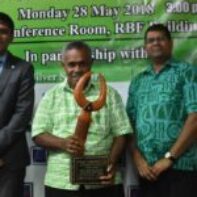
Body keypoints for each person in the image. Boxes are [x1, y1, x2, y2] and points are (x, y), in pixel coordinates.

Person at [32, 41, 132, 197]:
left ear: (91, 64)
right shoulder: (51, 96)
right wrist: (63, 143)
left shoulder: (109, 94)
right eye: (71, 64)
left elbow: (122, 134)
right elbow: (38, 134)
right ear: (63, 66)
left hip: (103, 181)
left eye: (82, 64)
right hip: (61, 182)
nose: (77, 70)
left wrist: (110, 164)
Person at [126, 24, 197, 197]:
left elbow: (195, 117)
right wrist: (138, 159)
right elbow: (128, 124)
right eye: (151, 40)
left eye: (161, 39)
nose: (155, 43)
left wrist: (169, 158)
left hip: (180, 167)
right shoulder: (138, 81)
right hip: (147, 171)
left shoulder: (187, 72)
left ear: (170, 43)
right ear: (145, 47)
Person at [0, 12, 35, 197]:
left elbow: (22, 115)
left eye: (4, 31)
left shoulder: (23, 69)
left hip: (9, 159)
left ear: (12, 36)